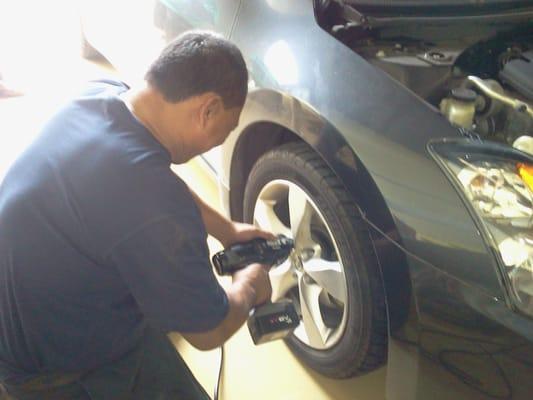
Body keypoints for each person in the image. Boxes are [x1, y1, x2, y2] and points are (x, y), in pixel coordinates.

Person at [0, 31, 274, 399]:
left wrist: (226, 230)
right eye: (227, 128)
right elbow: (209, 331)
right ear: (207, 110)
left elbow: (152, 179)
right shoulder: (152, 204)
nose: (223, 139)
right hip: (57, 373)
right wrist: (251, 283)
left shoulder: (102, 95)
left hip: (34, 306)